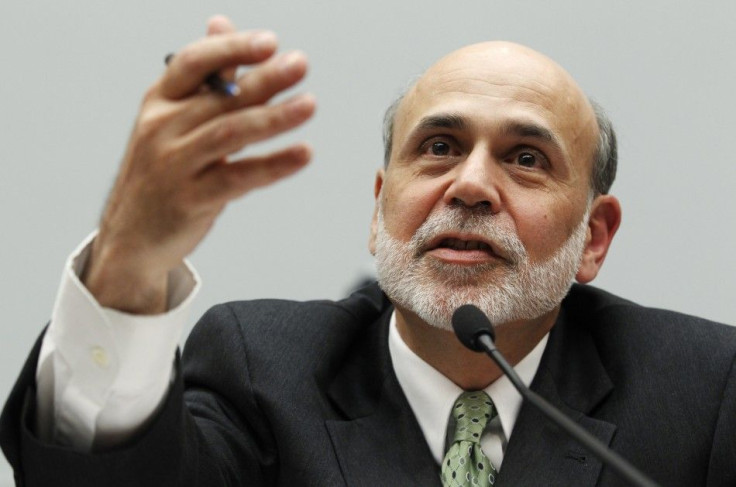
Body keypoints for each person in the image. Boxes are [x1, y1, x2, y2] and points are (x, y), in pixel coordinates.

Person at [1, 15, 735, 487]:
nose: (471, 185)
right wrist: (128, 262)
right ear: (380, 208)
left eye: (526, 159)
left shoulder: (702, 393)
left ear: (593, 238)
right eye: (439, 147)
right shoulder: (263, 368)